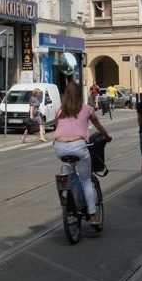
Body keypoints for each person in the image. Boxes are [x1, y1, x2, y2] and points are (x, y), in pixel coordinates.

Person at [51, 81, 112, 224]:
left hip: (59, 147)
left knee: (70, 170)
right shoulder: (87, 109)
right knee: (86, 181)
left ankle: (71, 197)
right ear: (80, 95)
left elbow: (57, 128)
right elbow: (99, 126)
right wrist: (107, 137)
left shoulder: (59, 111)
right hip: (78, 146)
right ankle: (92, 215)